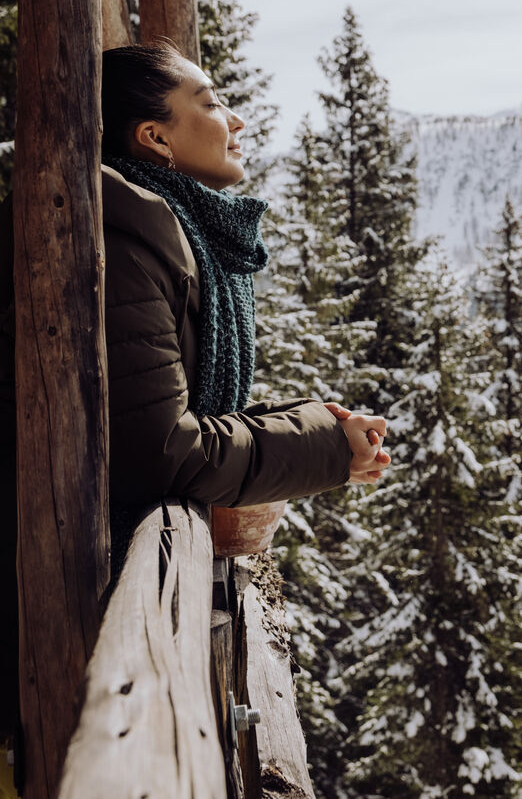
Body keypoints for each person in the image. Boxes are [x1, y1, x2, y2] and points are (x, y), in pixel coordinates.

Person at [0, 40, 390, 752]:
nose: (234, 120)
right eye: (210, 103)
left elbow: (171, 414)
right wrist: (324, 448)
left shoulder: (169, 229)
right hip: (66, 624)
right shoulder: (124, 235)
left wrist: (317, 430)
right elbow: (161, 451)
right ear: (154, 137)